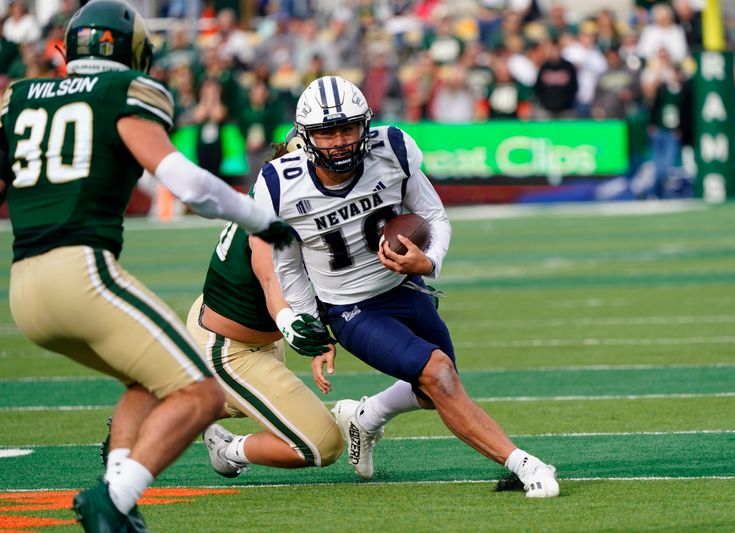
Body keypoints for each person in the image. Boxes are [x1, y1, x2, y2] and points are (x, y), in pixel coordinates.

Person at [0, 1, 292, 531]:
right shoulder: (127, 92)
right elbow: (188, 184)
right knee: (203, 391)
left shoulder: (16, 97)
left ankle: (118, 499)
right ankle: (113, 500)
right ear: (134, 50)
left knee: (150, 379)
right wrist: (262, 221)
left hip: (23, 289)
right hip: (81, 273)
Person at [263, 75, 559, 498]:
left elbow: (434, 217)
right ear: (306, 137)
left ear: (365, 124)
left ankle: (364, 419)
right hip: (350, 308)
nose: (340, 141)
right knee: (438, 375)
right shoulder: (280, 184)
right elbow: (287, 267)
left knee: (435, 388)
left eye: (348, 128)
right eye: (327, 132)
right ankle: (523, 463)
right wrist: (312, 327)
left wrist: (429, 260)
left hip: (405, 286)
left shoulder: (392, 150)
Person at [184, 141, 344, 477]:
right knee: (323, 443)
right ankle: (228, 451)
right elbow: (272, 282)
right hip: (228, 347)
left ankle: (173, 408)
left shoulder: (286, 204)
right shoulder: (269, 216)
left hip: (251, 332)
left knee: (242, 402)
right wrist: (293, 326)